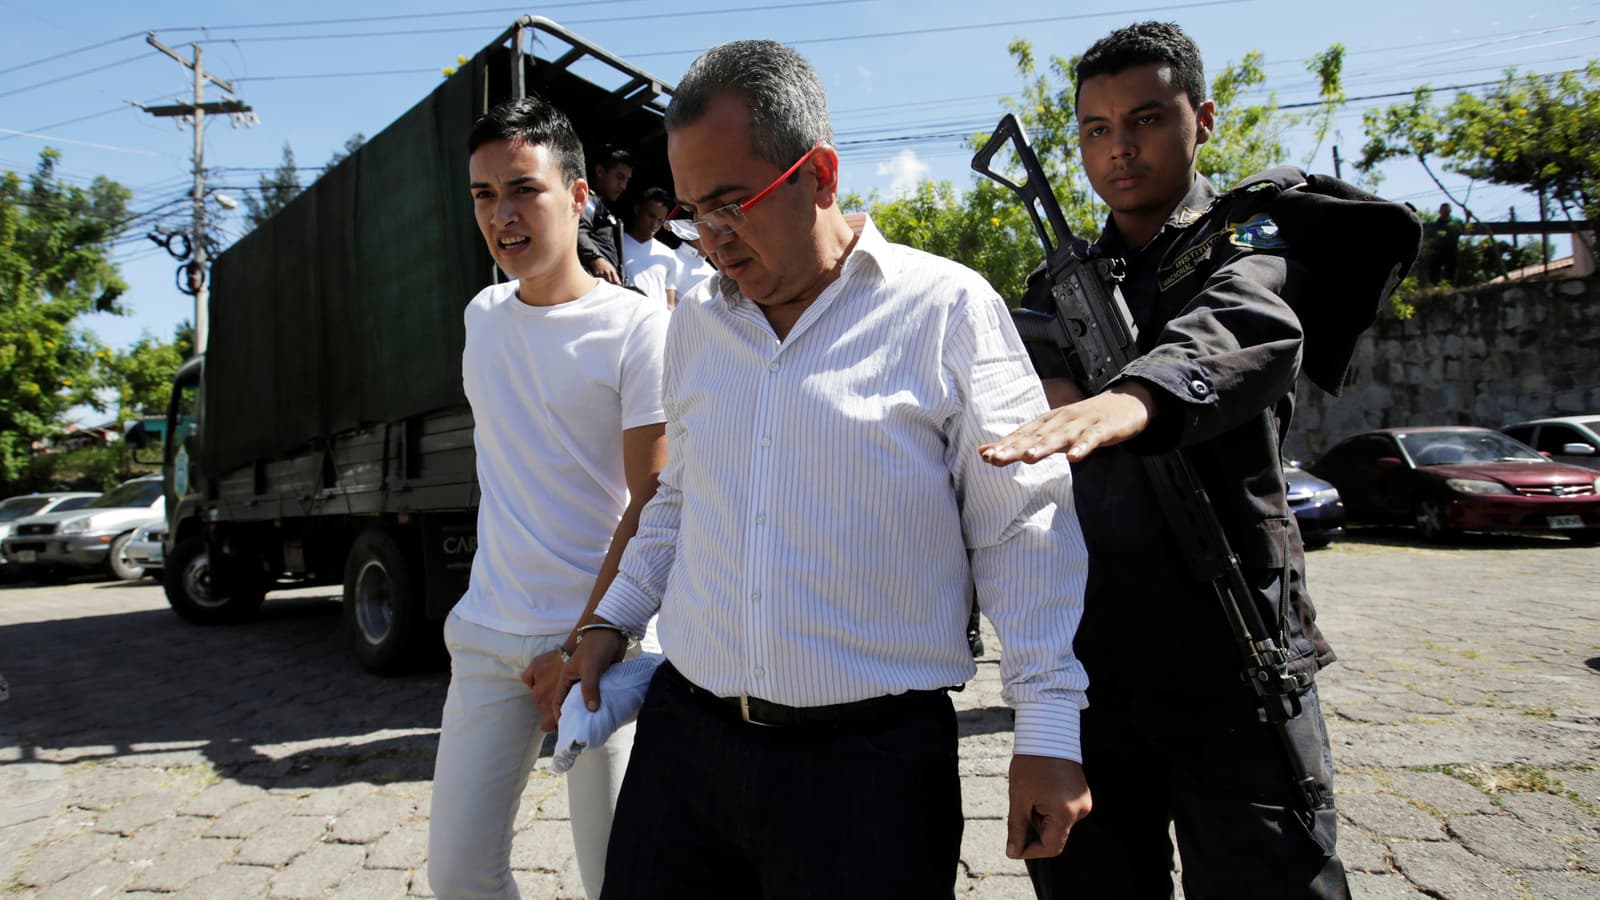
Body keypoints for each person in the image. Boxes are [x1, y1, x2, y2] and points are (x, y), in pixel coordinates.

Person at [562, 39, 1093, 899]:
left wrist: (1048, 729)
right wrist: (610, 622)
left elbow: (1021, 527)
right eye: (696, 211)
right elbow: (681, 499)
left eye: (733, 203)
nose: (713, 242)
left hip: (868, 777)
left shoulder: (946, 310)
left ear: (820, 173)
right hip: (685, 748)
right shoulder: (698, 322)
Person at [979, 21, 1349, 899]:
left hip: (1233, 647)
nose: (1119, 149)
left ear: (1203, 118)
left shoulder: (1251, 241)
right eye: (1096, 129)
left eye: (1145, 119)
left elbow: (1246, 331)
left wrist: (1131, 399)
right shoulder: (1056, 288)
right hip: (1094, 660)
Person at [427, 96, 669, 900]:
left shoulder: (637, 329)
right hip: (488, 639)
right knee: (460, 876)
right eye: (483, 195)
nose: (502, 215)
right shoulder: (482, 318)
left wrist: (584, 643)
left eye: (523, 189)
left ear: (576, 196)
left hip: (596, 649)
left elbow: (652, 500)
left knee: (616, 880)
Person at [577, 145, 634, 285]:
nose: (623, 186)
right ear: (600, 171)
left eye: (627, 180)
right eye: (619, 177)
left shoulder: (603, 207)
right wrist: (597, 259)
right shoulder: (588, 201)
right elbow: (577, 230)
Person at [619, 186, 684, 307]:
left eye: (660, 220)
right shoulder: (615, 244)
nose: (655, 224)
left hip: (653, 322)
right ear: (637, 209)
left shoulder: (668, 255)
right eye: (651, 216)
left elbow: (670, 304)